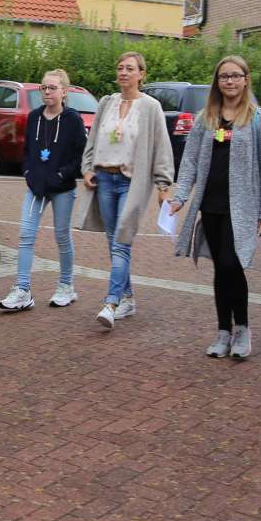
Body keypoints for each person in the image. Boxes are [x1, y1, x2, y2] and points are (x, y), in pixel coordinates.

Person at [167, 56, 261, 360]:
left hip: (241, 208)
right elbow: (189, 161)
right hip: (211, 204)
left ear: (246, 79)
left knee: (232, 265)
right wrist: (179, 197)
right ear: (217, 82)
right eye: (223, 77)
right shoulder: (206, 118)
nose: (229, 82)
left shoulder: (258, 120)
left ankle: (242, 329)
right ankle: (223, 331)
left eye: (235, 76)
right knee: (220, 269)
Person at [78, 51, 174, 329]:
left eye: (130, 68)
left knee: (121, 241)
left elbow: (162, 148)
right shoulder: (107, 103)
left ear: (141, 74)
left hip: (131, 183)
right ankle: (128, 297)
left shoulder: (151, 107)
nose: (123, 73)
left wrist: (163, 184)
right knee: (113, 242)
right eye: (120, 68)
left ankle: (111, 303)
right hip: (104, 181)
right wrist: (87, 169)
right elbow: (93, 140)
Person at [0, 69, 85, 311]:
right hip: (36, 188)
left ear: (64, 92)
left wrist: (60, 175)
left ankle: (66, 286)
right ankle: (22, 290)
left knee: (61, 236)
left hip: (63, 188)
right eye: (44, 87)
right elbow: (28, 152)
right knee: (26, 236)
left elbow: (80, 156)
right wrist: (28, 173)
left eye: (52, 88)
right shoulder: (35, 117)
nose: (47, 92)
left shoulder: (73, 120)